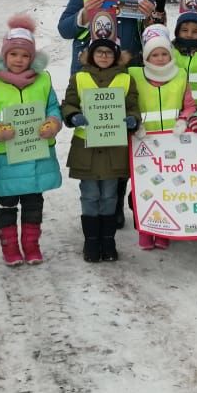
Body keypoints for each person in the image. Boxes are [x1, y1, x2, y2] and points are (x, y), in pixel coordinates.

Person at [57, 0, 163, 230]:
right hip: (90, 77)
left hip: (125, 77)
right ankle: (95, 205)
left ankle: (116, 202)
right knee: (95, 138)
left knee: (123, 141)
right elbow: (64, 29)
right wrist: (83, 17)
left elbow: (156, 36)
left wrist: (151, 18)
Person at [0, 14, 63, 266]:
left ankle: (31, 244)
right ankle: (10, 246)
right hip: (7, 158)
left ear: (32, 58)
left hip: (37, 154)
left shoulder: (43, 81)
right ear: (4, 56)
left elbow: (53, 108)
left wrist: (53, 123)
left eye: (25, 55)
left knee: (34, 203)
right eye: (13, 54)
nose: (19, 60)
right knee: (6, 204)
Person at [61, 24, 141, 262]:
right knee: (89, 195)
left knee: (109, 196)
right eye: (99, 52)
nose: (104, 56)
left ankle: (108, 242)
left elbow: (134, 106)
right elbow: (69, 103)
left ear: (116, 56)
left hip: (114, 148)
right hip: (86, 148)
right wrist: (73, 115)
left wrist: (132, 120)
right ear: (91, 55)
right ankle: (91, 243)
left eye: (108, 53)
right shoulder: (79, 78)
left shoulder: (126, 79)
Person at [129, 24, 197, 250]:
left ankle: (164, 231)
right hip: (143, 143)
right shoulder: (135, 75)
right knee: (143, 188)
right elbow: (129, 103)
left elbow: (189, 105)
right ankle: (145, 229)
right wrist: (136, 125)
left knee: (169, 188)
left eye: (164, 54)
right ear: (146, 56)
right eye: (155, 54)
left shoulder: (180, 75)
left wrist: (183, 120)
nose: (160, 59)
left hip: (173, 143)